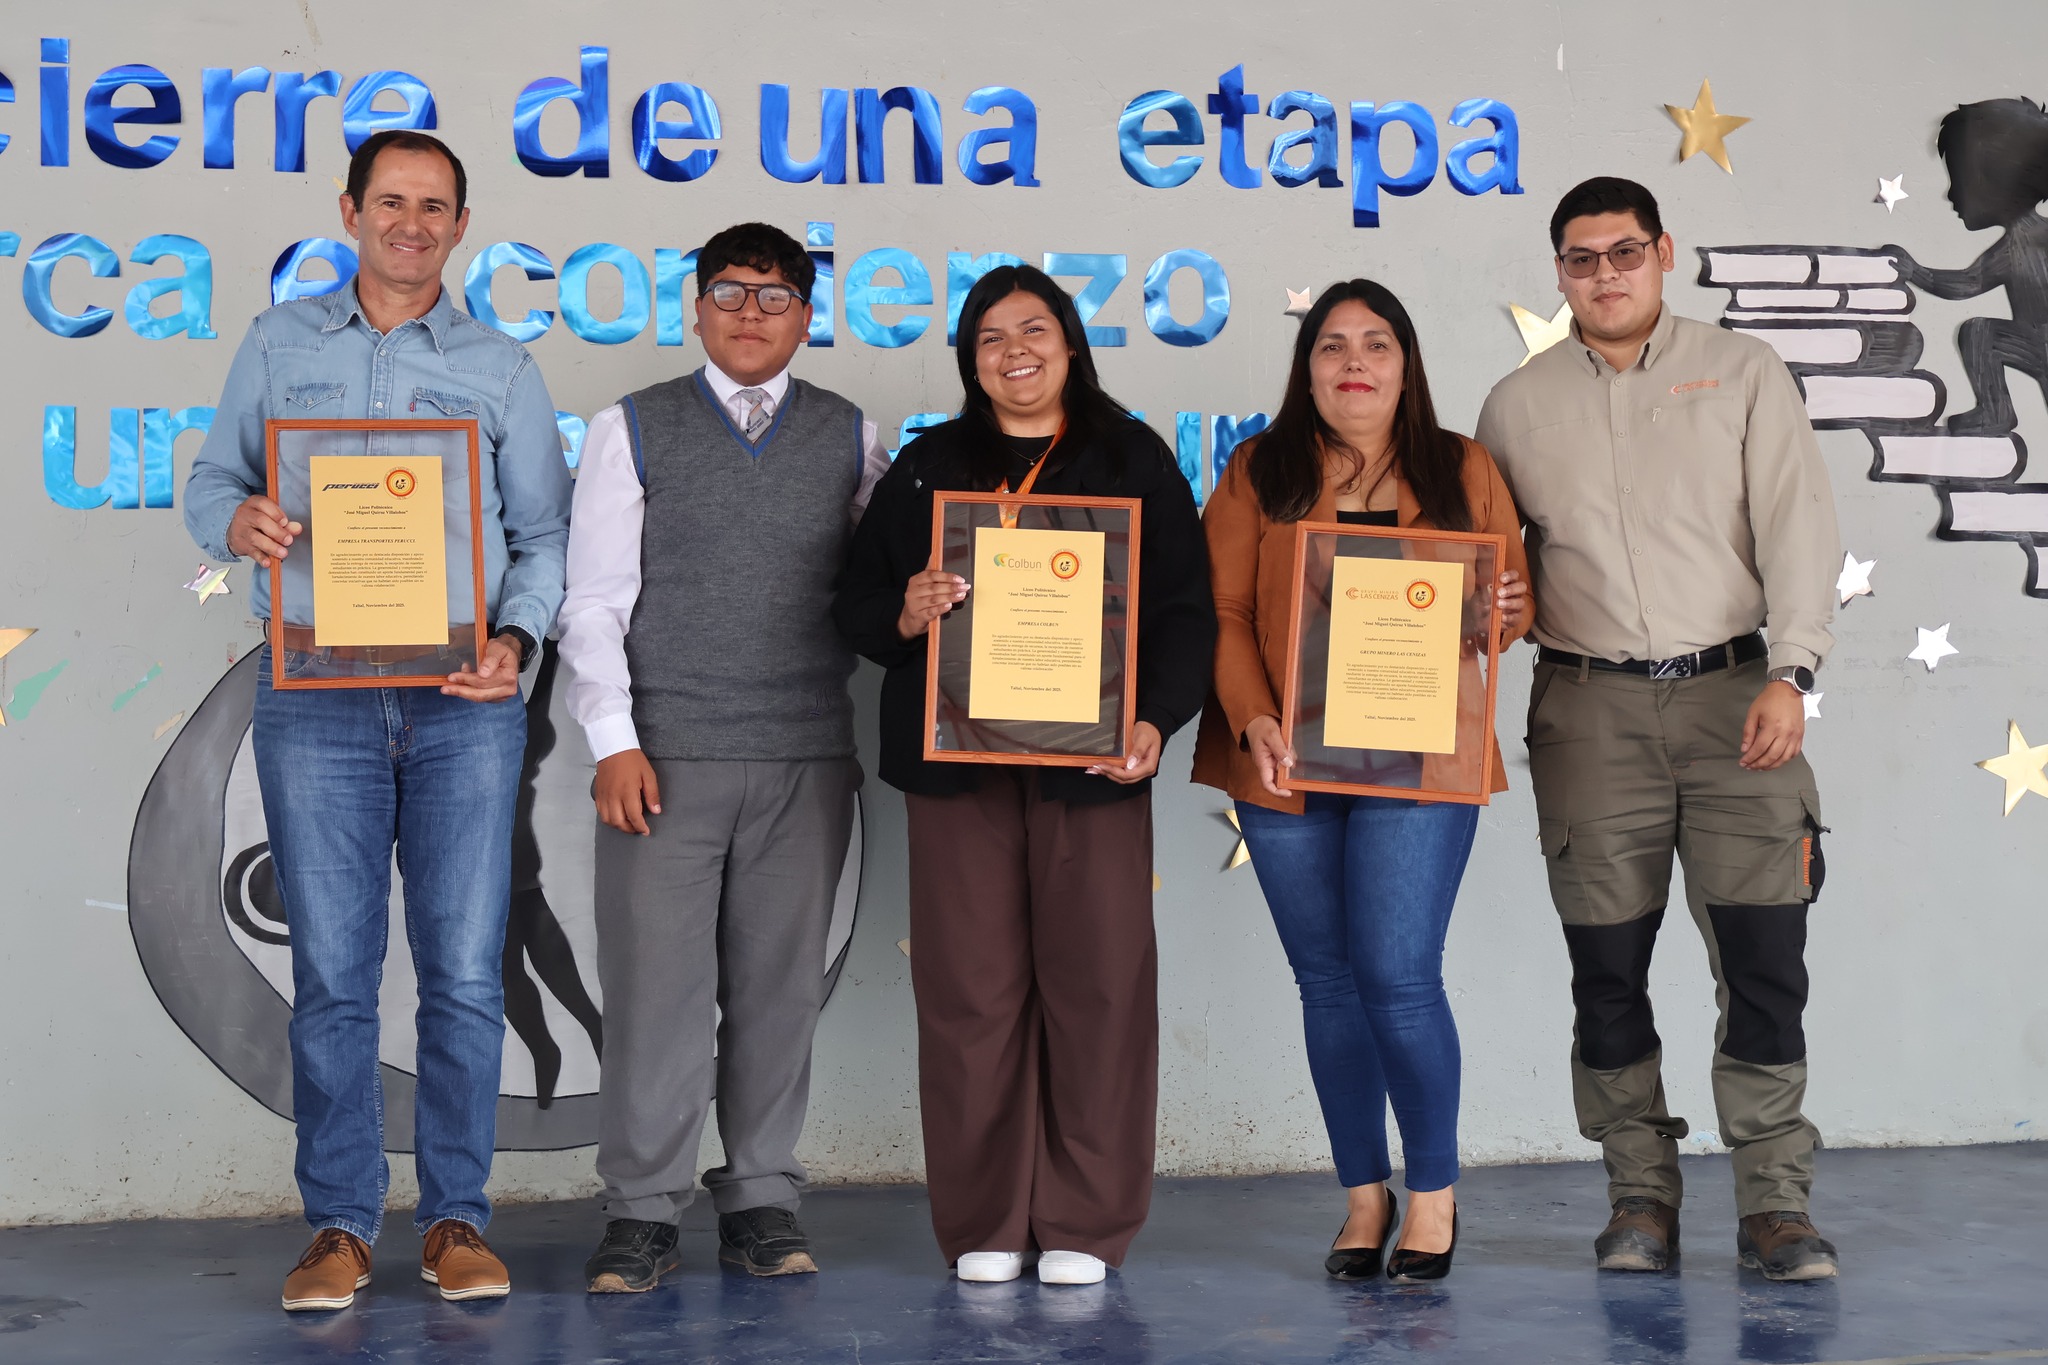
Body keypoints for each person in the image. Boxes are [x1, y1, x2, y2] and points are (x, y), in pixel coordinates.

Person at [182, 130, 572, 1310]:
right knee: (336, 979)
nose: (411, 222)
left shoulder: (502, 367)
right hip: (315, 698)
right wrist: (235, 524)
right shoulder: (275, 342)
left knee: (460, 976)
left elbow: (545, 538)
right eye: (390, 201)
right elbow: (210, 487)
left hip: (463, 708)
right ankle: (341, 1227)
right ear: (350, 210)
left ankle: (456, 1219)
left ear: (461, 226)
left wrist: (515, 641)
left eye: (435, 206)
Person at [1475, 176, 1843, 1281]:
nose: (1604, 273)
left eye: (1623, 252)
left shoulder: (1740, 372)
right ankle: (1638, 1196)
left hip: (1739, 702)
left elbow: (1797, 525)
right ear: (1556, 272)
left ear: (1662, 252)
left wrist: (1793, 670)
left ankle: (1773, 1204)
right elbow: (1502, 573)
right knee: (1606, 970)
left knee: (1764, 963)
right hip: (1586, 714)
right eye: (1581, 258)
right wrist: (1492, 608)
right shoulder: (1513, 407)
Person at [833, 265, 1215, 1286]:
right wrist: (905, 614)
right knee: (969, 995)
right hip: (956, 776)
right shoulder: (925, 468)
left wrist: (1154, 719)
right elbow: (854, 610)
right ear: (968, 359)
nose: (1014, 352)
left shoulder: (1129, 457)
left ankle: (1087, 1223)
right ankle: (984, 1222)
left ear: (1070, 342)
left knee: (1098, 987)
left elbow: (1183, 609)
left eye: (1033, 330)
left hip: (1090, 771)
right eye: (990, 337)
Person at [556, 222, 889, 1292]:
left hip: (805, 756)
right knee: (656, 991)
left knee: (777, 990)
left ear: (806, 315)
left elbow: (889, 585)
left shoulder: (850, 435)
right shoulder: (634, 427)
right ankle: (641, 1211)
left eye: (777, 295)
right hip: (665, 759)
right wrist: (613, 741)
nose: (753, 314)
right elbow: (593, 601)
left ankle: (758, 1196)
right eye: (732, 293)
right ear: (694, 306)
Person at [1191, 280, 1532, 1283]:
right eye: (1331, 343)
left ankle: (1431, 1195)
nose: (1353, 360)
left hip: (1417, 760)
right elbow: (1221, 610)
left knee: (1396, 975)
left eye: (1374, 343)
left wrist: (1503, 606)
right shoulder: (1259, 467)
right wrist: (1252, 715)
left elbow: (1499, 612)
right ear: (1305, 369)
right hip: (1284, 761)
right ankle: (1359, 1195)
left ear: (1403, 362)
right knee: (1327, 984)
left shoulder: (1460, 465)